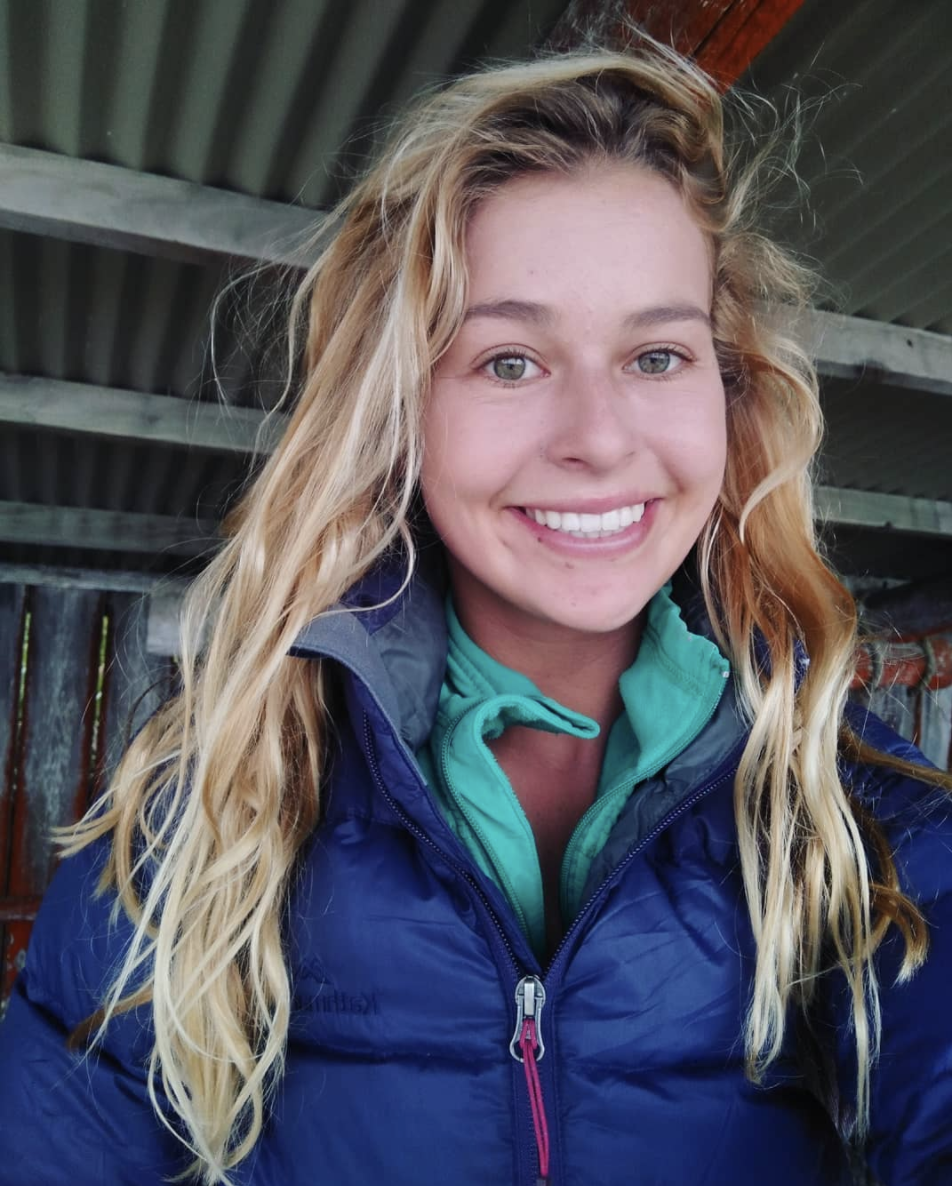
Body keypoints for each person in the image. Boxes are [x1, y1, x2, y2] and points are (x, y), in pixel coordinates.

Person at [0, 36, 950, 1186]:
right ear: (398, 405)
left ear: (730, 389)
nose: (598, 437)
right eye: (508, 360)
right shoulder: (203, 814)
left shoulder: (864, 817)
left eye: (656, 355)